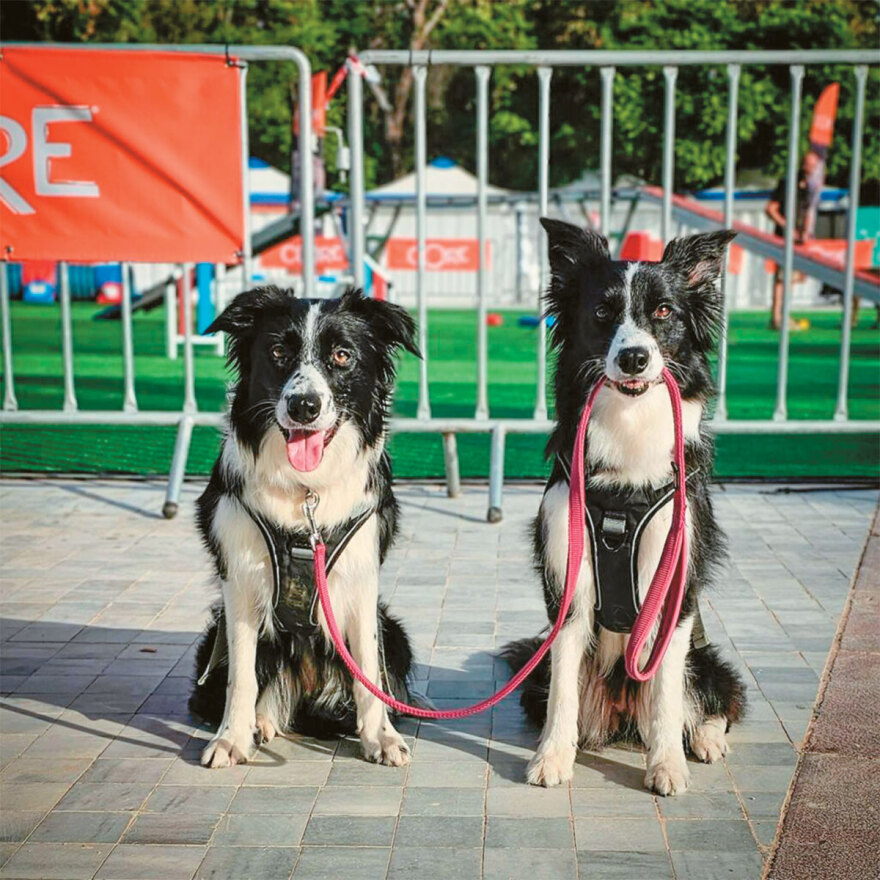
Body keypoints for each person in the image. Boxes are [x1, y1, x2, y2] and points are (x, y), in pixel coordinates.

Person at [765, 151, 820, 330]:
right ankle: (777, 318)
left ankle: (781, 315)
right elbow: (771, 209)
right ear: (803, 164)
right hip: (784, 239)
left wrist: (805, 232)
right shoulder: (788, 183)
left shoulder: (809, 187)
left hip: (799, 240)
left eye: (814, 166)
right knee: (782, 278)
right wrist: (789, 228)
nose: (812, 169)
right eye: (809, 165)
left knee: (792, 278)